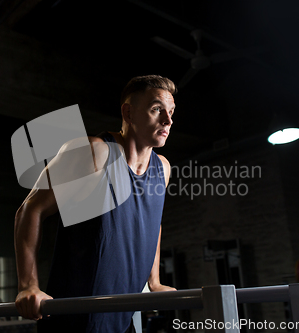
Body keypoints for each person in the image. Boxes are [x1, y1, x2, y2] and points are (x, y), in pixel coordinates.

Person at [14, 75, 177, 333]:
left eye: (171, 112)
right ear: (128, 112)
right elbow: (30, 209)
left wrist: (154, 282)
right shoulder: (93, 152)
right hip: (74, 318)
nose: (168, 121)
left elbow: (153, 223)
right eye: (157, 109)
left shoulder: (163, 168)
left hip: (122, 316)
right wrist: (28, 286)